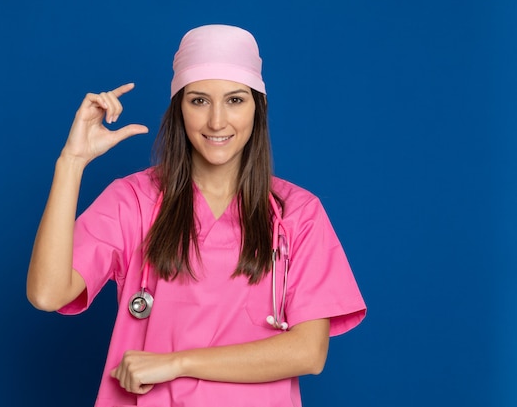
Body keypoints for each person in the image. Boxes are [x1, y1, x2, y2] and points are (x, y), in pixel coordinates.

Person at [27, 24, 366, 407]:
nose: (217, 122)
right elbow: (47, 294)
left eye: (235, 100)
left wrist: (177, 363)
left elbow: (308, 352)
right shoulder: (134, 200)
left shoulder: (297, 213)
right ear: (178, 108)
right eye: (199, 100)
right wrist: (71, 163)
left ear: (259, 108)